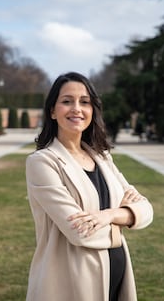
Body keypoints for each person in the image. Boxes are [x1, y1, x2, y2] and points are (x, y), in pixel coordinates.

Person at [25, 72, 154, 301]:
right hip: (71, 285)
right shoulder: (42, 162)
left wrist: (109, 215)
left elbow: (146, 210)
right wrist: (126, 218)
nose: (77, 108)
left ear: (92, 110)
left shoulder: (102, 158)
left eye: (84, 102)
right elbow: (80, 233)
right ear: (53, 111)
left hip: (116, 282)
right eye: (67, 101)